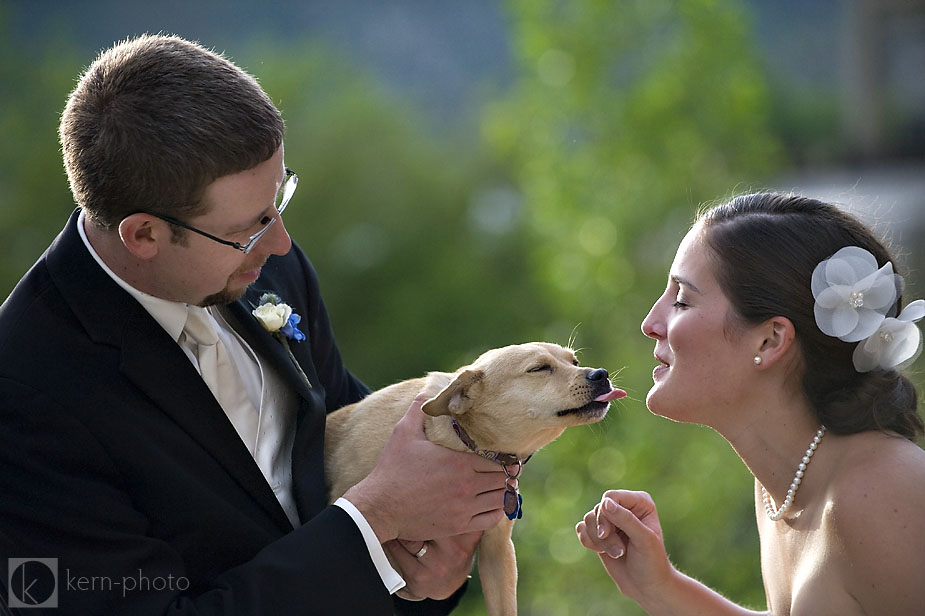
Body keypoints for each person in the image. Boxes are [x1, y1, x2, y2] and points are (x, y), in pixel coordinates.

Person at [0, 34, 509, 615]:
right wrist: (372, 521)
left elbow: (347, 445)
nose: (282, 242)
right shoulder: (22, 397)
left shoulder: (267, 268)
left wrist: (432, 579)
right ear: (143, 235)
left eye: (280, 198)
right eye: (249, 225)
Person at [576, 193, 925, 615]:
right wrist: (661, 588)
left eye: (682, 299)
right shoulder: (782, 486)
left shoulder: (884, 490)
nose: (651, 323)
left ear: (770, 339)